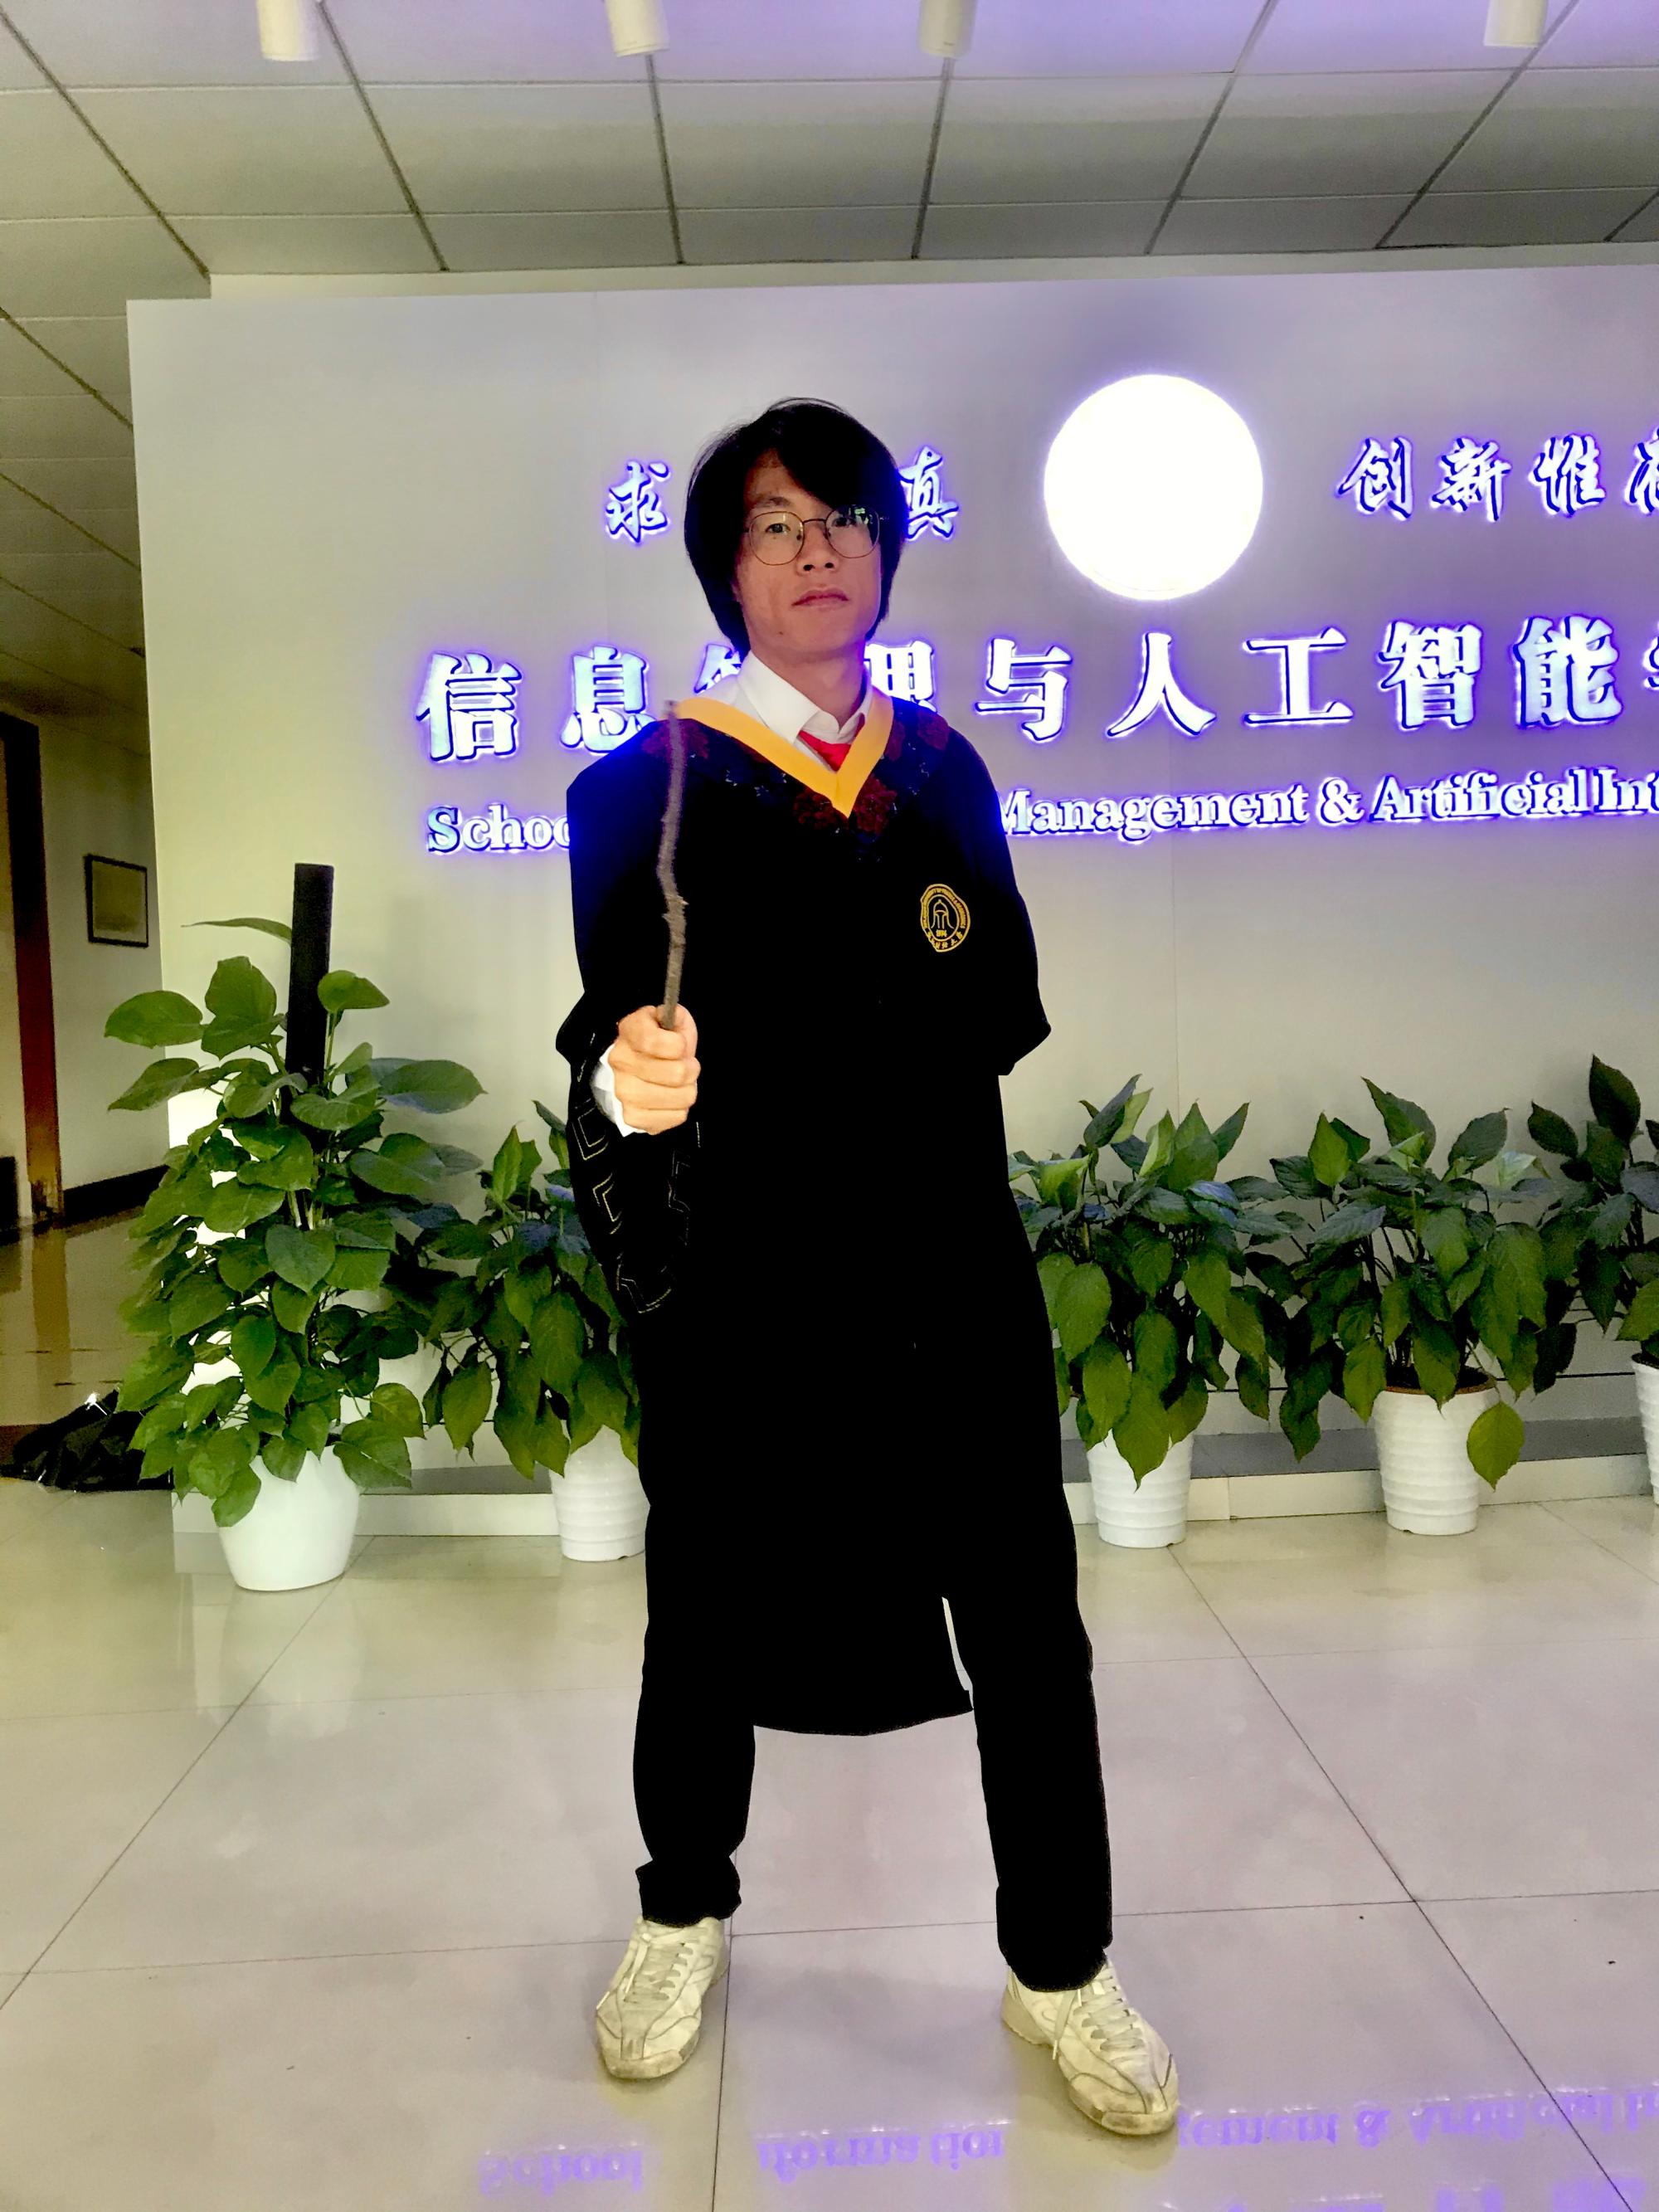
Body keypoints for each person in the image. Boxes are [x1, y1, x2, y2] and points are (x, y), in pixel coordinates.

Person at [554, 398, 1178, 2136]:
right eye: (776, 524)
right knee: (704, 1612)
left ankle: (1061, 1962)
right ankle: (682, 1910)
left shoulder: (943, 772)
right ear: (727, 572)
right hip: (748, 1290)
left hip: (948, 1276)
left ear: (886, 553)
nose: (815, 549)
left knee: (1029, 1618)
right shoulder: (641, 788)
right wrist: (627, 1081)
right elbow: (608, 1037)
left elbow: (995, 1001)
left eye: (843, 519)